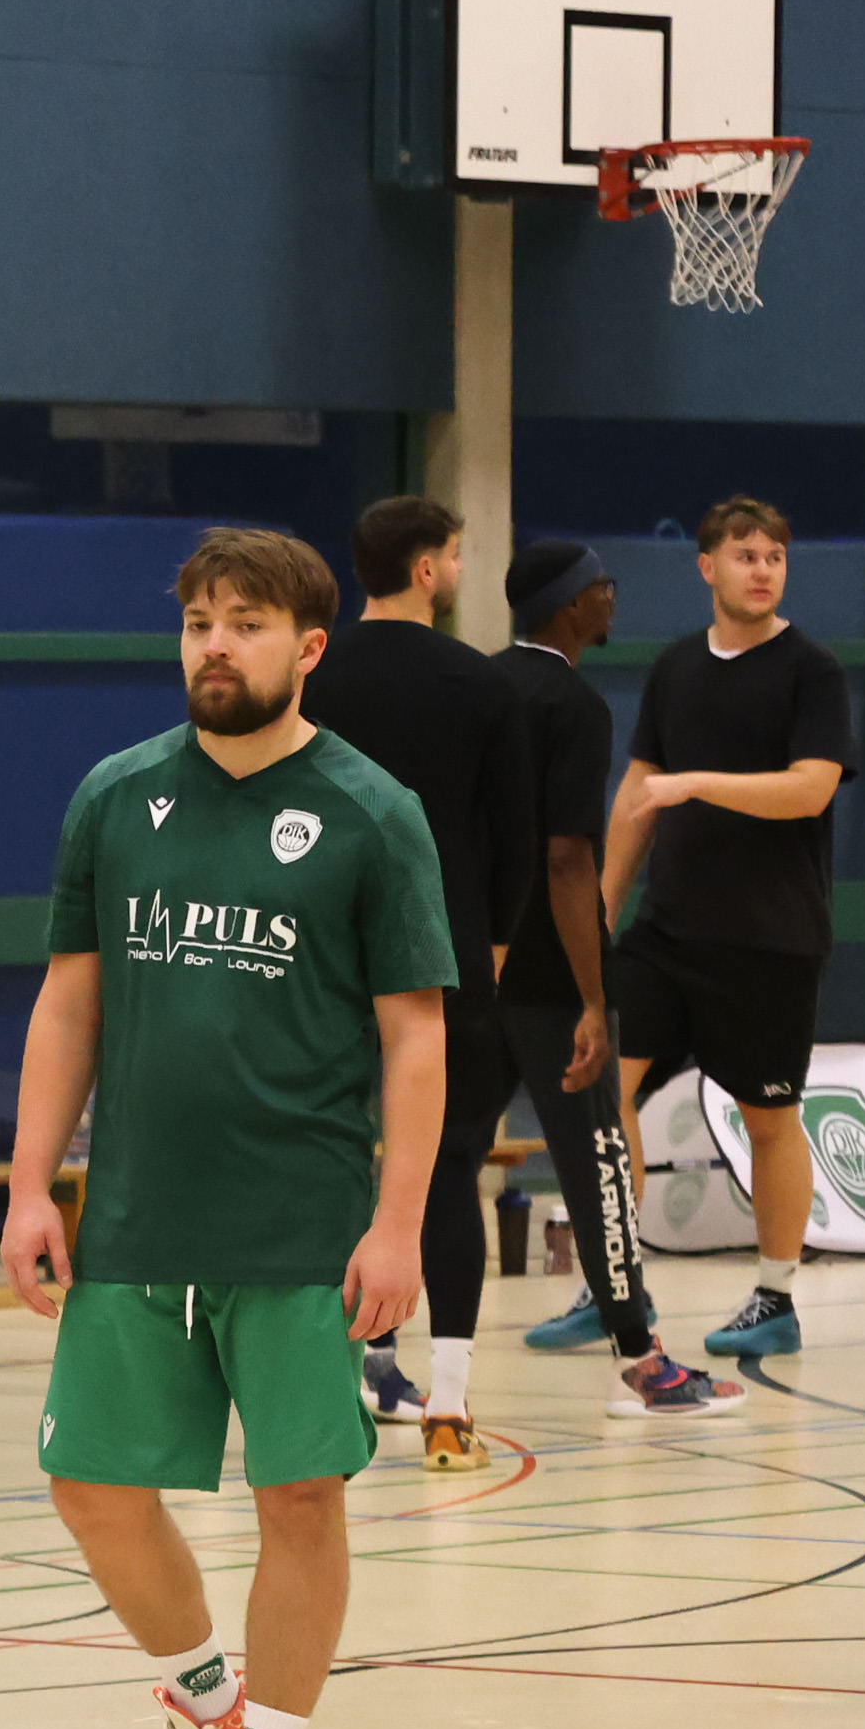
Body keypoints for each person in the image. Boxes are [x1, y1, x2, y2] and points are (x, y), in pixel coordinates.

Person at [1, 527, 452, 1729]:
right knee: (90, 1489)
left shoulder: (372, 812)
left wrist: (396, 1223)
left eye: (245, 624)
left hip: (300, 1224)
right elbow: (68, 1003)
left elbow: (415, 1037)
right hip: (137, 1215)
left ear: (306, 648)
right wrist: (29, 1184)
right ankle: (205, 1708)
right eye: (199, 620)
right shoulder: (116, 795)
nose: (214, 644)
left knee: (297, 1497)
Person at [302, 497, 532, 1473]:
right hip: (444, 960)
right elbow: (515, 841)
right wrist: (493, 951)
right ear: (429, 569)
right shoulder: (483, 686)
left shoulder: (312, 675)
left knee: (329, 1163)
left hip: (320, 957)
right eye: (457, 555)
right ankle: (447, 1402)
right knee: (445, 1169)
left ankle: (345, 1375)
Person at [602, 496, 855, 1363]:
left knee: (769, 1118)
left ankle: (775, 1295)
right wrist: (601, 903)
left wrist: (698, 782)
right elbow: (638, 796)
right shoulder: (677, 667)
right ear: (706, 565)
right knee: (601, 1090)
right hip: (666, 933)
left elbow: (811, 789)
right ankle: (614, 1278)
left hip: (769, 938)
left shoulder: (811, 670)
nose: (762, 569)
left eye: (774, 557)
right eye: (746, 555)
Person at [493, 541, 738, 1413]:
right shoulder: (574, 704)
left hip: (465, 969)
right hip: (548, 978)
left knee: (441, 1164)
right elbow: (567, 859)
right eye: (602, 587)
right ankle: (640, 1360)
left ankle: (384, 1356)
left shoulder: (477, 688)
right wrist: (593, 993)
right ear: (570, 607)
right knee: (598, 1163)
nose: (612, 597)